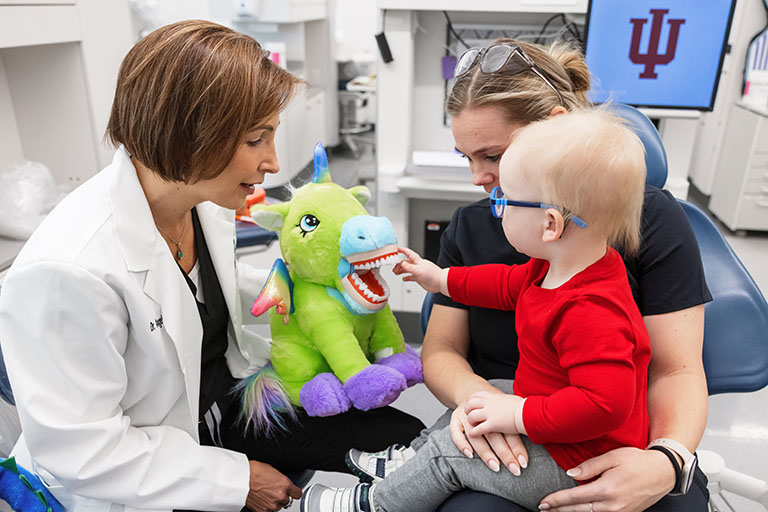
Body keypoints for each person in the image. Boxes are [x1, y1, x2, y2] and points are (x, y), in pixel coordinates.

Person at [0, 20, 423, 512]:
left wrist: (324, 303)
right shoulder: (67, 271)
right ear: (190, 136)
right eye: (255, 140)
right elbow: (87, 453)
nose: (272, 161)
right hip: (140, 469)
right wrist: (237, 481)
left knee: (405, 440)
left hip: (224, 404)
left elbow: (207, 300)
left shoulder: (199, 202)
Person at [345, 40, 712, 512]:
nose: (478, 177)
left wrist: (668, 460)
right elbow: (441, 350)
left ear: (555, 128)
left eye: (493, 156)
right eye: (466, 158)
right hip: (509, 424)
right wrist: (482, 404)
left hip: (616, 442)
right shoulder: (473, 228)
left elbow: (676, 369)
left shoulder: (645, 222)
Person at [301, 108, 653, 512]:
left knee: (453, 457)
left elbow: (604, 406)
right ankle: (410, 459)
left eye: (504, 200)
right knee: (483, 395)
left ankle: (377, 503)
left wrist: (519, 414)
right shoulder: (555, 267)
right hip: (556, 424)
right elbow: (503, 285)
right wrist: (440, 279)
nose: (494, 204)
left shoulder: (591, 309)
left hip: (580, 464)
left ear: (550, 225)